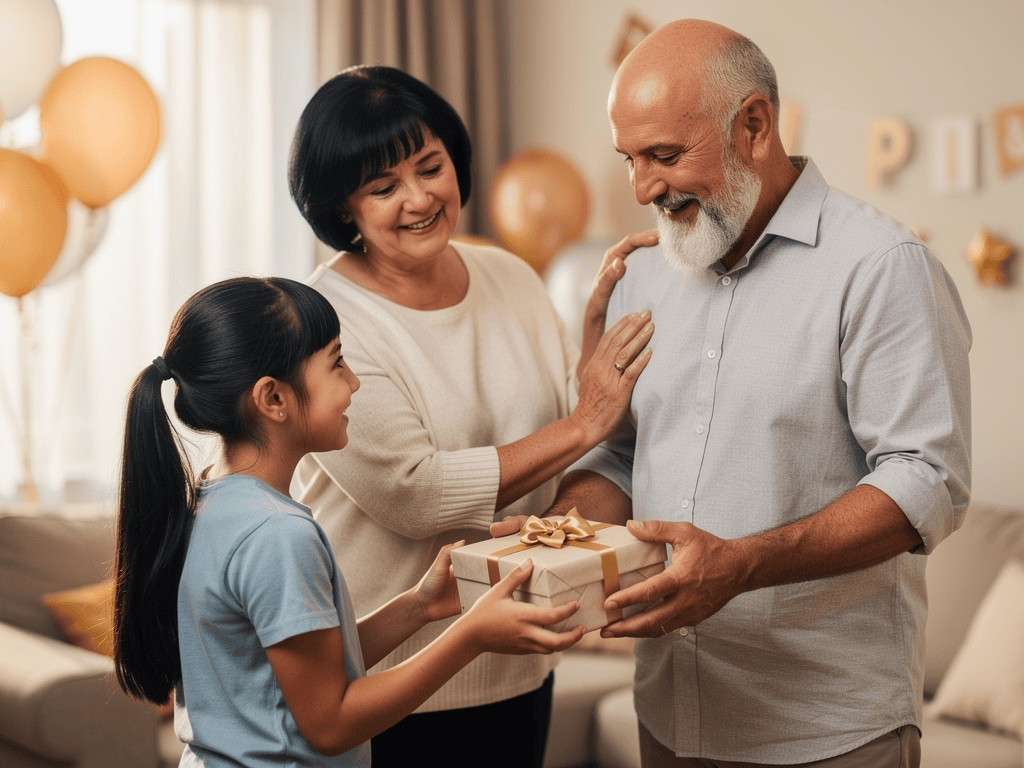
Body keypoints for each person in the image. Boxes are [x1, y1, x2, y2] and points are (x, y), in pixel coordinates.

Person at [508, 18, 972, 768]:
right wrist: (565, 533)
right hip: (667, 715)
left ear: (753, 125)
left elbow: (927, 479)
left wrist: (742, 564)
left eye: (665, 156)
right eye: (630, 159)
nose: (643, 188)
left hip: (826, 733)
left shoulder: (881, 266)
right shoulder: (643, 274)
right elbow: (622, 455)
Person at [286, 65, 656, 767]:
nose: (420, 197)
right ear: (343, 209)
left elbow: (577, 428)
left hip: (521, 663)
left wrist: (595, 337)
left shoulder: (509, 276)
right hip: (386, 681)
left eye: (431, 168)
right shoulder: (322, 320)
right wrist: (584, 422)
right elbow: (417, 494)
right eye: (383, 187)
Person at [111, 276, 588, 768]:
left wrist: (419, 606)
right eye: (337, 362)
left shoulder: (212, 503)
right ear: (273, 399)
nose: (354, 382)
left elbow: (302, 670)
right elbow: (330, 724)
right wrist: (471, 635)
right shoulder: (277, 535)